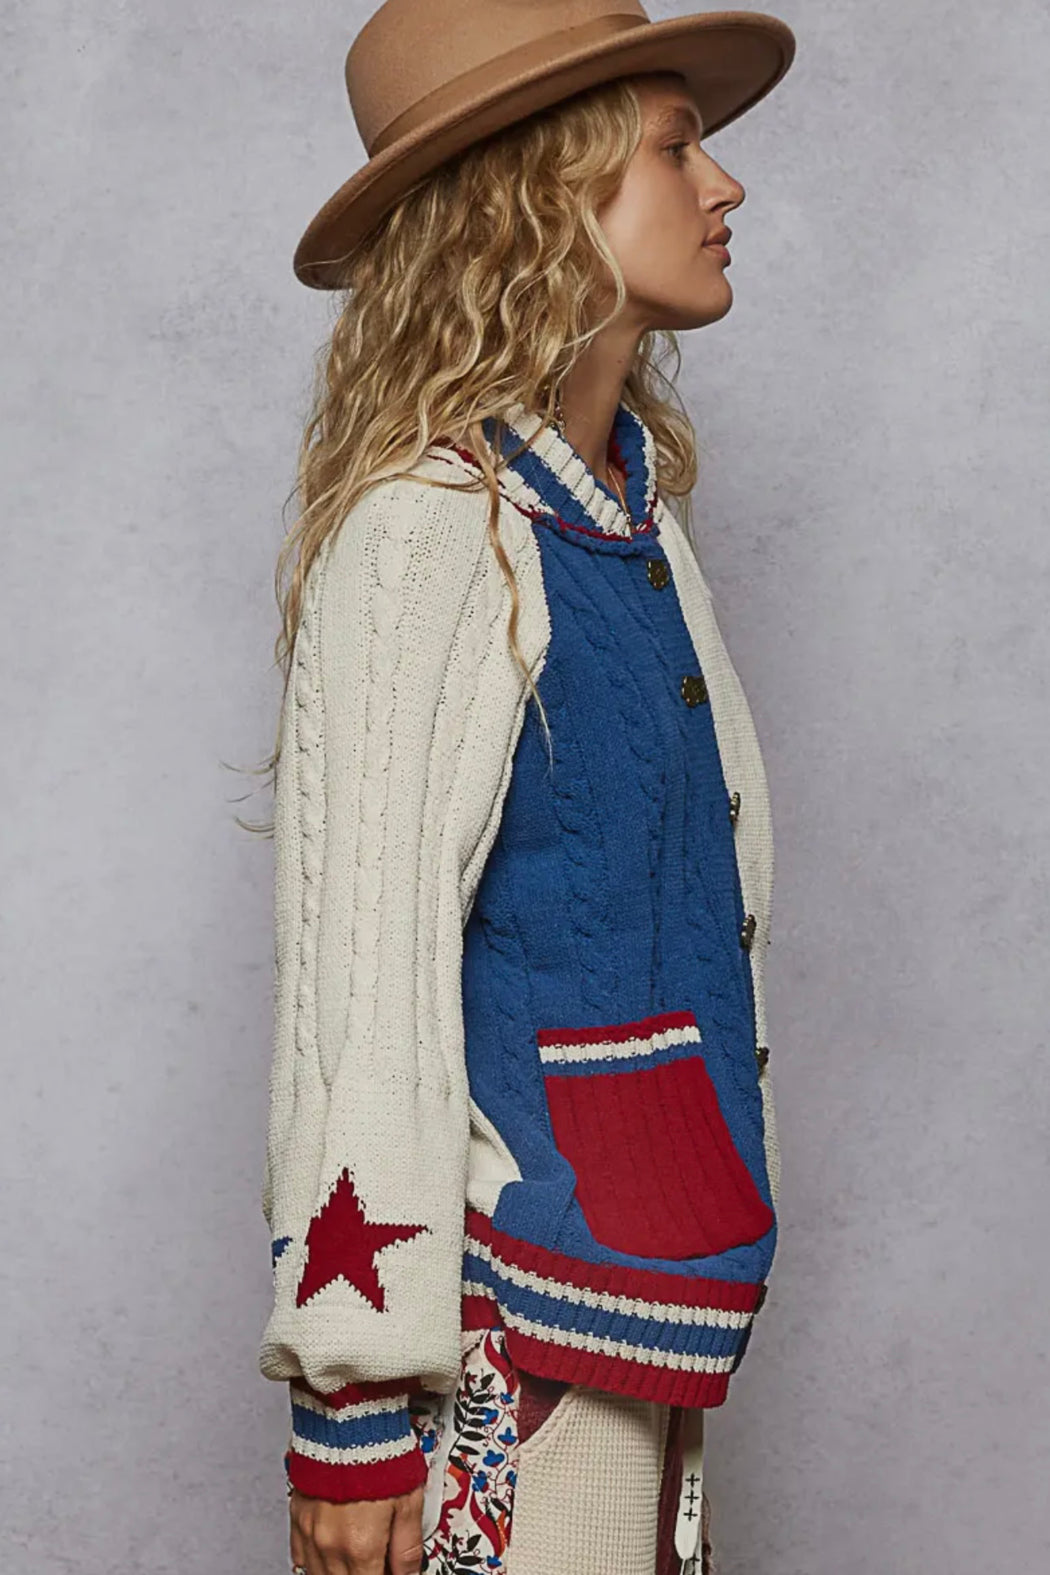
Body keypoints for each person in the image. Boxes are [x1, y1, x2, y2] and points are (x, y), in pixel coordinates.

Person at [256, 3, 796, 1572]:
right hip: (514, 1306)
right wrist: (353, 1407)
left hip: (645, 1280)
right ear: (545, 192)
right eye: (674, 148)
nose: (723, 185)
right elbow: (362, 985)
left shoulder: (627, 525)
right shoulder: (427, 533)